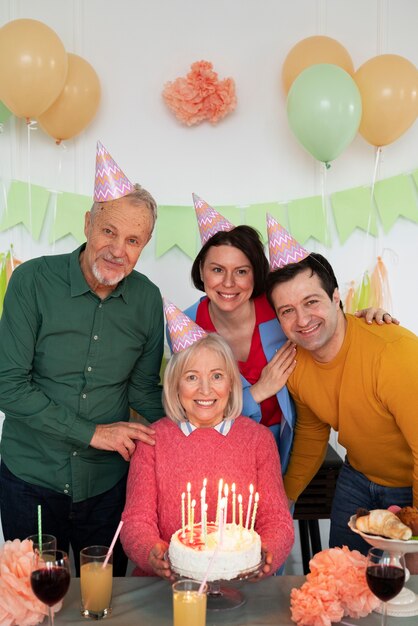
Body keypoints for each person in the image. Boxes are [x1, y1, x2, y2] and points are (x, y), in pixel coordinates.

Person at [0, 142, 164, 575]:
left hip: (109, 488)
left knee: (105, 605)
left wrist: (196, 429)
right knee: (34, 603)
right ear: (88, 223)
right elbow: (8, 386)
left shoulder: (147, 299)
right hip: (30, 479)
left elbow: (143, 390)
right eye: (109, 231)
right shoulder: (32, 281)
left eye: (133, 240)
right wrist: (93, 433)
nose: (117, 249)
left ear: (144, 244)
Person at [181, 194, 397, 475]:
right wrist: (256, 393)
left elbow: (322, 322)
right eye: (217, 270)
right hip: (217, 447)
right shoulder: (186, 324)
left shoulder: (279, 309)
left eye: (241, 271)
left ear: (255, 274)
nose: (229, 283)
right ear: (201, 271)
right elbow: (191, 407)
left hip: (284, 445)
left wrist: (365, 318)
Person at [265, 217, 418, 560]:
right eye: (287, 311)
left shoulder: (393, 354)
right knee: (340, 579)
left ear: (336, 298)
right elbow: (310, 434)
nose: (302, 320)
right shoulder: (295, 364)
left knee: (406, 597)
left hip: (412, 485)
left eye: (311, 302)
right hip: (357, 478)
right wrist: (285, 502)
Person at [121, 302, 294, 578]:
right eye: (192, 377)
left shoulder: (258, 440)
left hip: (241, 582)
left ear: (231, 384)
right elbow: (136, 521)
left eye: (216, 376)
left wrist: (266, 553)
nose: (205, 389)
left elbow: (277, 520)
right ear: (175, 386)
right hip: (168, 587)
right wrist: (151, 551)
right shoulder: (152, 440)